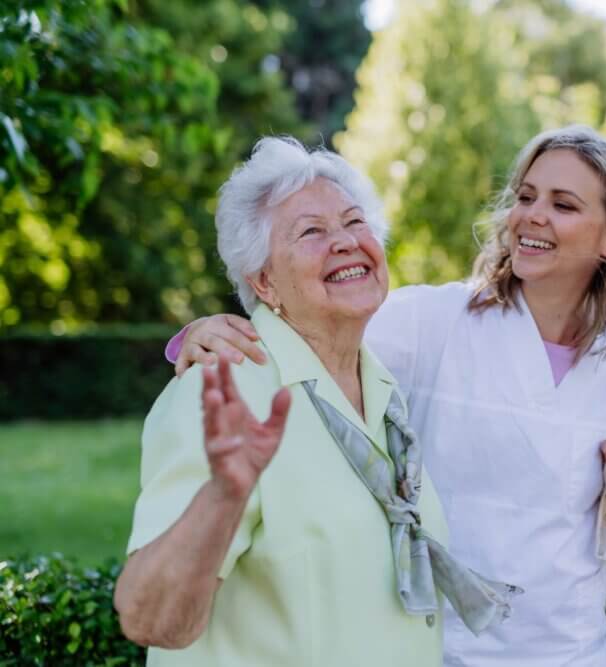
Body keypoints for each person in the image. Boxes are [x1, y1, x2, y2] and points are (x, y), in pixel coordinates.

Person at [170, 125, 606, 666]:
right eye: (526, 196)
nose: (532, 215)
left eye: (564, 205)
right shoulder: (434, 321)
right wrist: (199, 335)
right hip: (443, 647)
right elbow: (303, 334)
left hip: (572, 647)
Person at [114, 137, 516, 666]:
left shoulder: (381, 388)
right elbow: (150, 620)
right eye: (311, 232)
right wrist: (225, 494)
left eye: (354, 222)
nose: (345, 241)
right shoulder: (222, 391)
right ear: (264, 281)